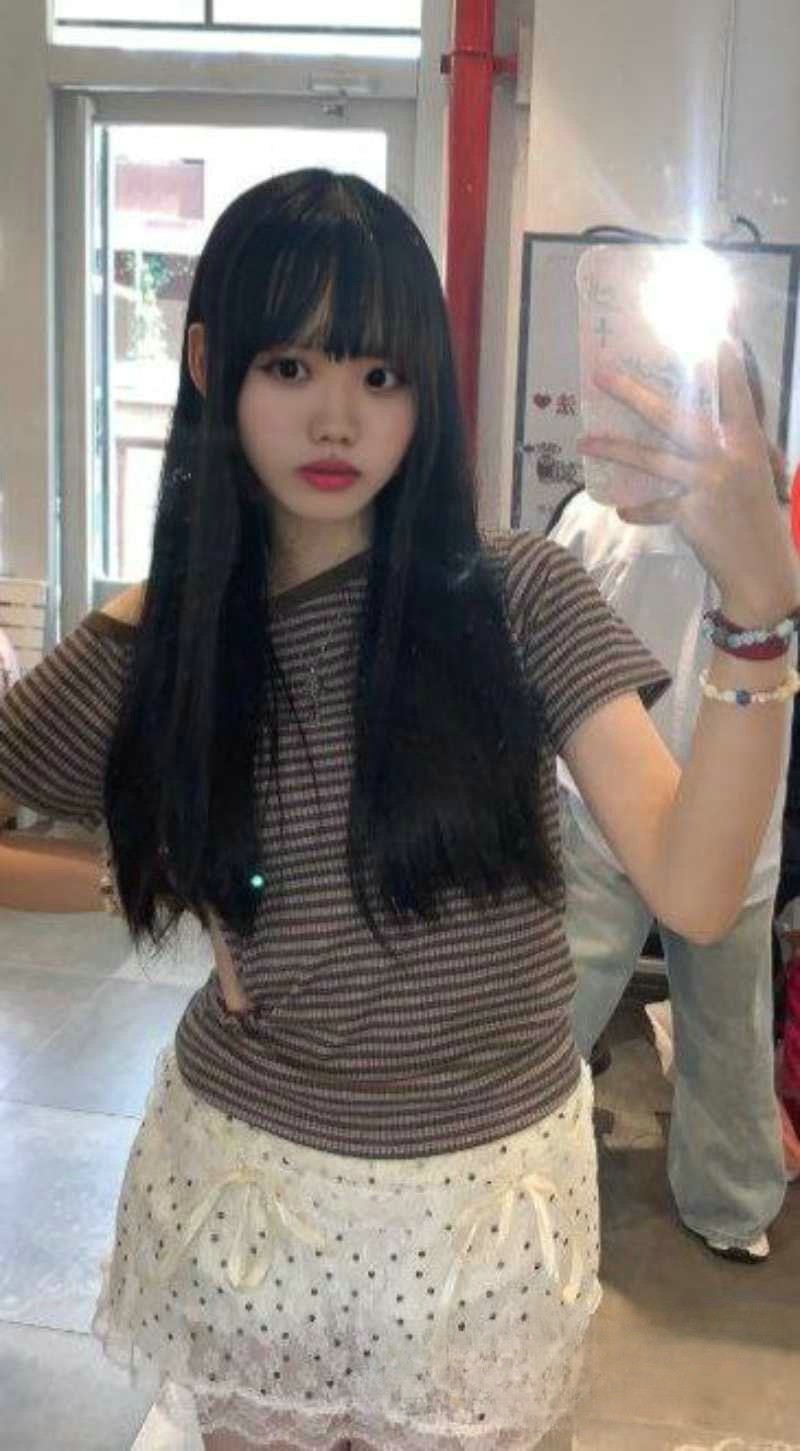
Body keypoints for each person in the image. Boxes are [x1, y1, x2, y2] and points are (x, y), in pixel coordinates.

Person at [0, 171, 796, 1451]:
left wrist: (755, 610)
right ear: (208, 365)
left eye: (379, 374)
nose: (337, 415)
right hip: (260, 1184)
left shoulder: (515, 594)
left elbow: (696, 892)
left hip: (486, 1193)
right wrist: (147, 871)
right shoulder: (161, 640)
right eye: (289, 364)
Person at [550, 354, 792, 1265]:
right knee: (702, 1023)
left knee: (585, 1014)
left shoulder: (759, 527)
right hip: (648, 814)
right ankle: (729, 1204)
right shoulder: (604, 516)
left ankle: (726, 1197)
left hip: (663, 814)